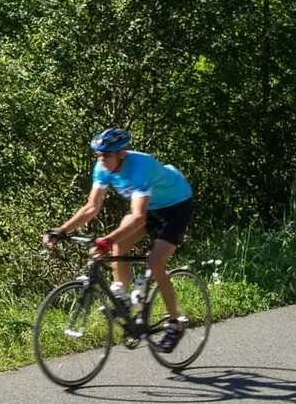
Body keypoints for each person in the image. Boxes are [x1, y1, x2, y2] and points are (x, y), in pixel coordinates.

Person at [44, 127, 194, 351]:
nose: (101, 160)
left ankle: (175, 323)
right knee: (119, 246)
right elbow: (92, 207)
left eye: (106, 155)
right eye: (98, 155)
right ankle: (123, 296)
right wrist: (63, 229)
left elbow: (137, 216)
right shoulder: (102, 167)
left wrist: (106, 240)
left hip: (176, 207)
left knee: (155, 262)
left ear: (122, 154)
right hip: (150, 207)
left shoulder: (141, 167)